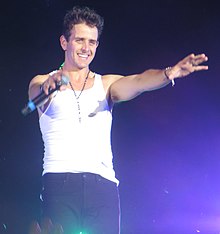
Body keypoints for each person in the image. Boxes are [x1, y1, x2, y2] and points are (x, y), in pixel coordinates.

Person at [28, 5, 208, 234]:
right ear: (64, 42)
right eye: (80, 40)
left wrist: (169, 73)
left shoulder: (106, 85)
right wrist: (50, 85)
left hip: (103, 188)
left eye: (92, 42)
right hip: (60, 184)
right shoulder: (43, 80)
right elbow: (37, 93)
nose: (86, 48)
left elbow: (140, 81)